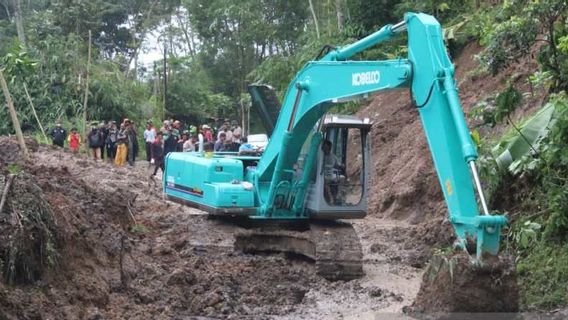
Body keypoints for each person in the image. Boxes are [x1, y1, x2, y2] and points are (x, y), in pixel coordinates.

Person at [322, 140, 344, 204]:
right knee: (325, 180)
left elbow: (336, 165)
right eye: (324, 147)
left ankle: (339, 195)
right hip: (324, 175)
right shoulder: (321, 157)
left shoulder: (333, 156)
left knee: (342, 178)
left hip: (331, 175)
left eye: (326, 147)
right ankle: (330, 197)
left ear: (329, 147)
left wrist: (341, 166)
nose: (324, 149)